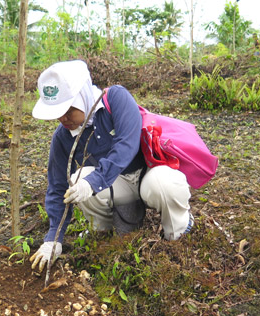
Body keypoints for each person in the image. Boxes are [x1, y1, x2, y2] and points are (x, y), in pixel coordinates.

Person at [29, 60, 194, 272]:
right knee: (79, 179)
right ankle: (105, 238)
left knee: (165, 184)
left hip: (148, 174)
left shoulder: (115, 99)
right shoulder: (63, 137)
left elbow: (126, 144)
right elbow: (57, 187)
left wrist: (93, 182)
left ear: (82, 97)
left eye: (68, 110)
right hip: (118, 187)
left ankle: (179, 233)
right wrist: (54, 238)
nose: (63, 118)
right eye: (57, 112)